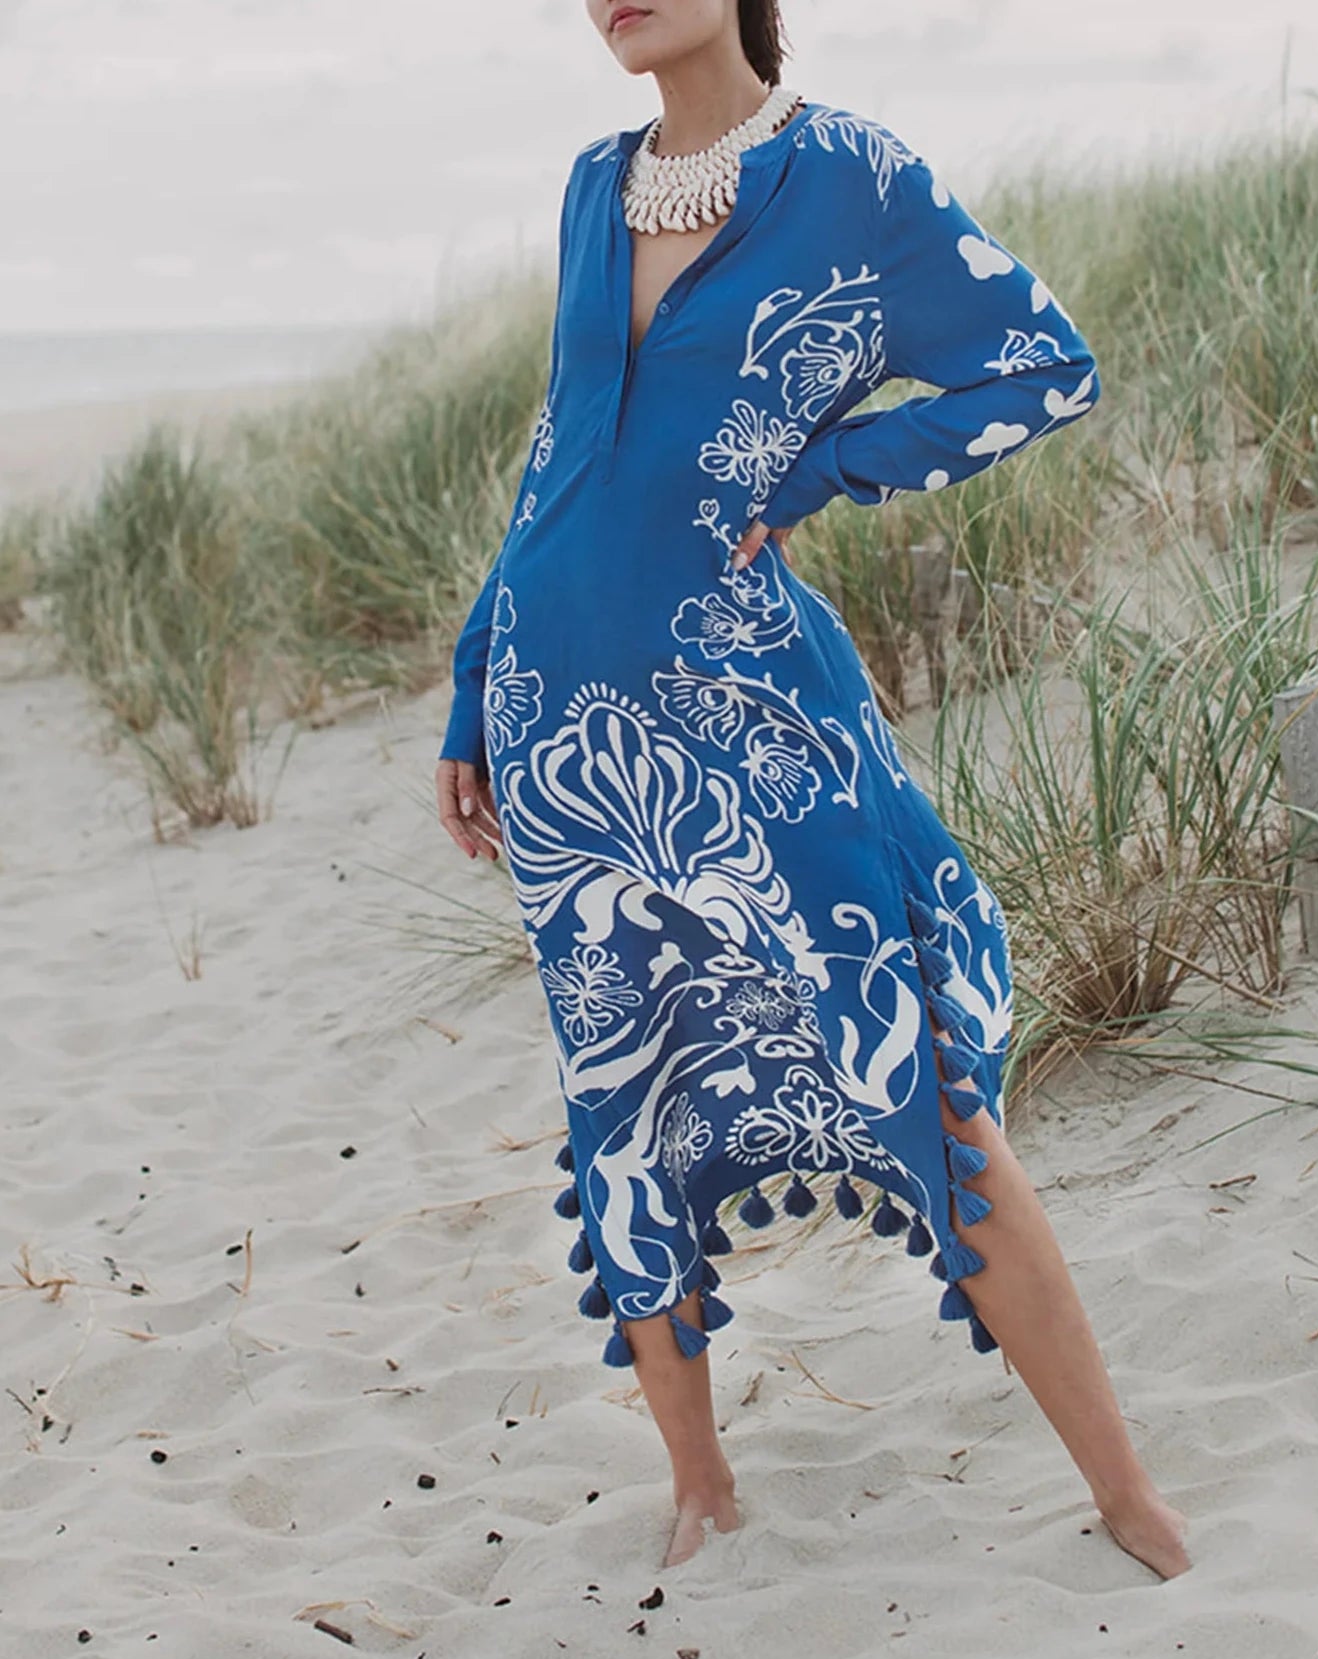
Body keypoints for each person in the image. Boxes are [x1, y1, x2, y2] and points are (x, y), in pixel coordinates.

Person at [435, 0, 1191, 1579]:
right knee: (621, 1100)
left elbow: (1048, 365)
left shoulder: (850, 177)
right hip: (566, 728)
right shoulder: (594, 184)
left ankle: (1126, 1493)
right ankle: (700, 1483)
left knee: (925, 1087)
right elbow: (554, 450)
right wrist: (470, 673)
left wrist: (830, 468)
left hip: (756, 724)